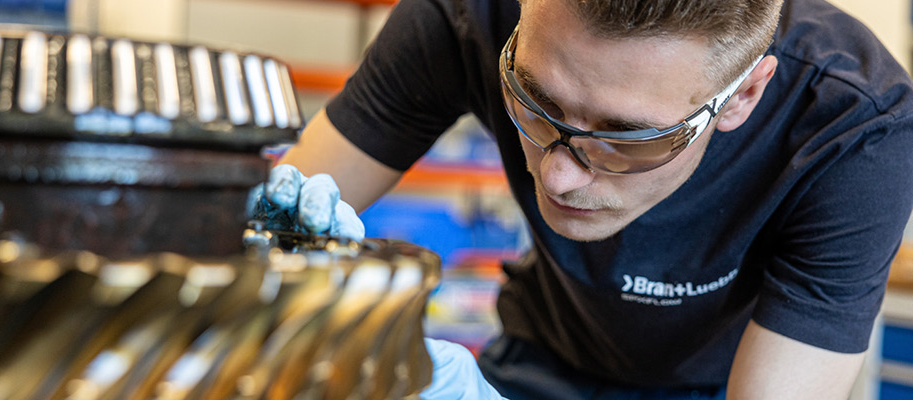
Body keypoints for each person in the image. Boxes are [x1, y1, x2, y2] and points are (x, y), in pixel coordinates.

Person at [250, 0, 913, 398]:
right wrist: (266, 258)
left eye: (628, 138)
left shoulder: (856, 127)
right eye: (536, 101)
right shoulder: (467, 16)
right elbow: (257, 249)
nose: (559, 178)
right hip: (543, 354)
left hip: (721, 382)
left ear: (742, 95)